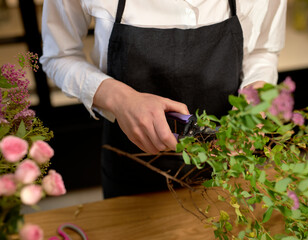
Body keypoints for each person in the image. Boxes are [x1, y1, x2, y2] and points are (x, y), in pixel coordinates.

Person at [40, 0, 287, 198]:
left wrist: (255, 106)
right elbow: (59, 56)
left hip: (230, 159)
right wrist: (120, 99)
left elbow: (263, 50)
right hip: (132, 164)